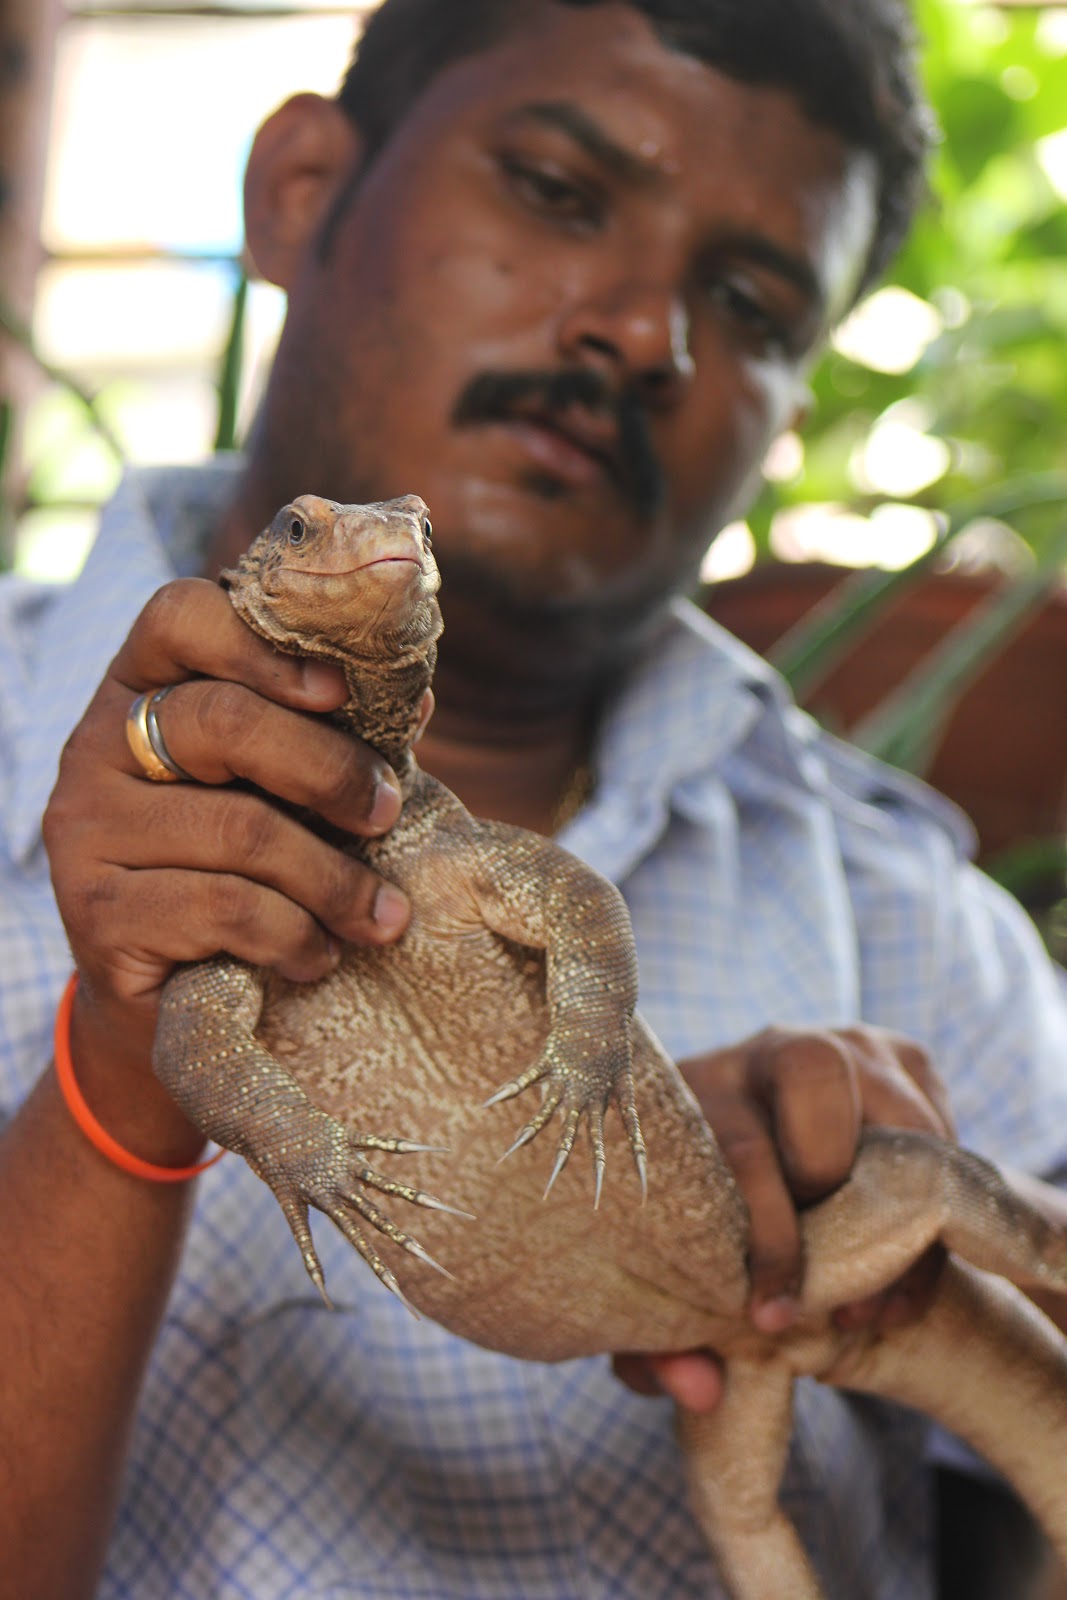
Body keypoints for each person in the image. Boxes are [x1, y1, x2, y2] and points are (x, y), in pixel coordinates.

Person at [1, 1, 1066, 1596]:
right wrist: (126, 1063)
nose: (646, 333)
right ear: (298, 189)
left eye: (751, 299)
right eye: (558, 193)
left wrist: (864, 1294)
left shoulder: (928, 937)